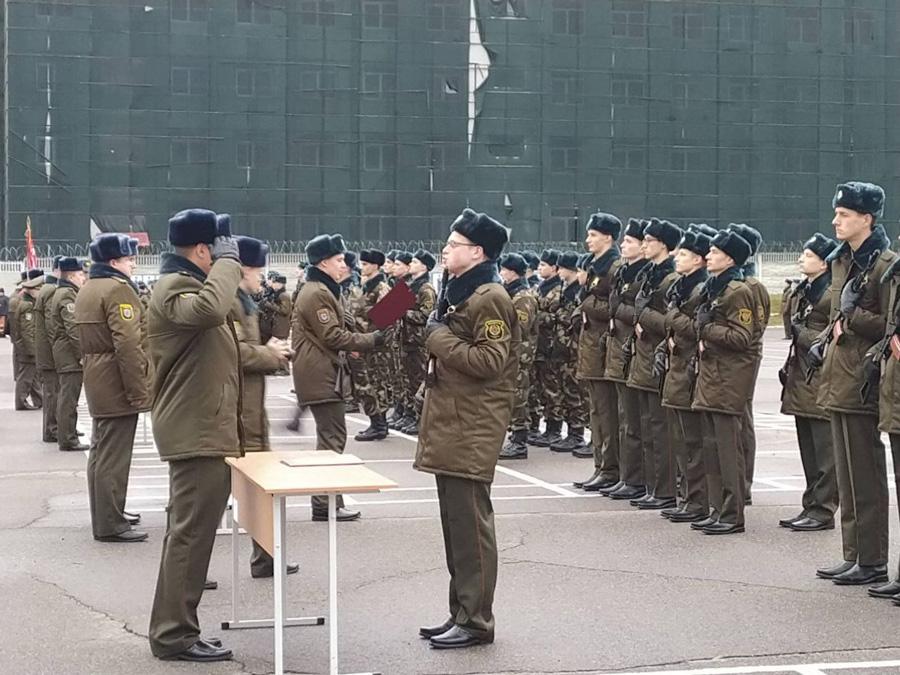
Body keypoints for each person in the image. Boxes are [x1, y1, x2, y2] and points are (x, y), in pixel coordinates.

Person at [415, 208, 516, 649]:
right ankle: (460, 610)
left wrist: (436, 336)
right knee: (455, 525)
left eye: (454, 244)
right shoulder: (458, 292)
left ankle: (476, 620)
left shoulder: (489, 297)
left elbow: (489, 362)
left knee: (471, 528)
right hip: (454, 421)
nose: (445, 249)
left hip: (471, 424)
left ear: (477, 252)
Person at [147, 208, 242, 663]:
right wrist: (229, 264)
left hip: (201, 425)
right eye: (219, 249)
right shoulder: (176, 288)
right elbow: (209, 310)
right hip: (194, 429)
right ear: (203, 250)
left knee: (190, 534)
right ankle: (173, 635)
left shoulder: (185, 285)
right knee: (189, 536)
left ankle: (176, 629)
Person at [812, 182, 895, 586]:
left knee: (865, 474)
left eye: (844, 215)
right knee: (847, 474)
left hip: (863, 378)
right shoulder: (842, 261)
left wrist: (853, 318)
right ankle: (855, 554)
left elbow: (888, 324)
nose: (836, 221)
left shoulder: (883, 265)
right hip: (838, 376)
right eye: (837, 213)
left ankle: (874, 559)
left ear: (867, 218)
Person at [291, 234, 384, 522]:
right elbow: (331, 334)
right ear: (323, 262)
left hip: (326, 369)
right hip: (321, 372)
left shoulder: (327, 289)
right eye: (339, 260)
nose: (346, 265)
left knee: (331, 438)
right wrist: (369, 340)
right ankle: (325, 504)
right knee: (332, 439)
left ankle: (329, 501)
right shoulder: (318, 291)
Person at [231, 235, 298, 577]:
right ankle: (266, 556)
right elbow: (235, 352)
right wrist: (269, 352)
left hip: (251, 404)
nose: (263, 278)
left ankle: (266, 555)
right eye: (259, 271)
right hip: (242, 407)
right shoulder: (233, 300)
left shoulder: (245, 299)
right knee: (248, 485)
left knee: (258, 485)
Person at [76, 235, 149, 541]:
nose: (133, 263)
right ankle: (110, 522)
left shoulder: (89, 288)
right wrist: (139, 391)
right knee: (113, 456)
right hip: (115, 381)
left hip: (98, 375)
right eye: (129, 259)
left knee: (101, 451)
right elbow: (128, 346)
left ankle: (109, 511)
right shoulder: (118, 290)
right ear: (114, 261)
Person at [691, 230, 755, 535]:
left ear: (729, 258)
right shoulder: (714, 288)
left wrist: (707, 330)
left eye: (714, 252)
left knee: (729, 451)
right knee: (712, 447)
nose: (708, 257)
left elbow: (742, 337)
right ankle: (717, 509)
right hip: (712, 377)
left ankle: (732, 514)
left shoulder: (736, 291)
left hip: (728, 380)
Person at [778, 233, 839, 532]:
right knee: (808, 450)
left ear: (824, 263)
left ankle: (824, 509)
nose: (802, 259)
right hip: (801, 378)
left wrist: (802, 333)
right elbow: (791, 324)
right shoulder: (807, 290)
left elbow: (832, 339)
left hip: (821, 379)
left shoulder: (831, 294)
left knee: (826, 453)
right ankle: (810, 505)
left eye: (809, 255)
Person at [627, 218, 682, 510]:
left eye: (649, 241)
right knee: (647, 428)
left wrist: (642, 316)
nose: (644, 244)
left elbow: (668, 323)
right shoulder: (650, 274)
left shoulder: (670, 278)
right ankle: (651, 485)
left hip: (658, 361)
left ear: (663, 244)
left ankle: (664, 489)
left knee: (661, 432)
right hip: (644, 359)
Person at [659, 229, 711, 522]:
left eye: (683, 255)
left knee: (693, 442)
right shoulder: (683, 286)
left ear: (698, 260)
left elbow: (694, 328)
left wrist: (672, 315)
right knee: (682, 440)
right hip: (678, 369)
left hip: (690, 369)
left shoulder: (699, 288)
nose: (677, 258)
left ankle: (697, 501)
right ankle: (686, 497)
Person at [600, 219, 650, 500]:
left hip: (635, 350)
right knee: (625, 420)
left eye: (629, 242)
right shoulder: (625, 271)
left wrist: (621, 310)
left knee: (638, 422)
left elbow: (640, 312)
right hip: (620, 350)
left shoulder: (646, 274)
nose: (624, 246)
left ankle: (638, 479)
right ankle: (627, 476)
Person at [574, 213, 623, 489]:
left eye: (593, 235)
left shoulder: (614, 267)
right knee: (596, 412)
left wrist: (587, 300)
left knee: (608, 413)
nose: (588, 240)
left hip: (605, 346)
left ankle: (611, 468)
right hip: (592, 347)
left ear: (608, 237)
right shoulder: (594, 266)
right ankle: (600, 466)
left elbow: (613, 308)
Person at [351, 249, 394, 442]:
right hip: (362, 341)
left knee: (376, 384)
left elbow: (388, 319)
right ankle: (375, 422)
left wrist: (374, 341)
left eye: (366, 264)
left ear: (376, 266)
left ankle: (379, 424)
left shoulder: (382, 288)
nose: (362, 267)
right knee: (364, 385)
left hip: (376, 345)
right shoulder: (364, 286)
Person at [498, 253, 538, 459]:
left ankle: (520, 439)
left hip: (519, 354)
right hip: (509, 353)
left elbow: (519, 327)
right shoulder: (510, 293)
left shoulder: (523, 297)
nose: (501, 273)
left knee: (518, 396)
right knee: (510, 395)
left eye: (504, 269)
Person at [49, 258, 89, 452]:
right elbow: (72, 328)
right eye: (81, 274)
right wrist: (82, 353)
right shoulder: (67, 295)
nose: (84, 278)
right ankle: (68, 438)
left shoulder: (66, 292)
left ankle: (67, 434)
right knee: (68, 398)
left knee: (67, 396)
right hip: (69, 355)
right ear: (71, 275)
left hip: (65, 352)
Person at [398, 249, 437, 435]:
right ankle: (409, 414)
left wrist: (404, 312)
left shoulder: (425, 289)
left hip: (418, 341)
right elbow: (385, 313)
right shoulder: (410, 286)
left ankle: (419, 418)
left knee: (419, 380)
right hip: (406, 339)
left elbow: (427, 315)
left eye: (414, 261)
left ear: (424, 266)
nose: (410, 264)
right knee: (408, 380)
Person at [530, 249, 563, 446]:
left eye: (544, 265)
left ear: (555, 268)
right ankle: (547, 425)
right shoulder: (541, 287)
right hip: (539, 345)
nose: (540, 268)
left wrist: (538, 317)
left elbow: (557, 316)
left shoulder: (558, 290)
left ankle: (555, 428)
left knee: (553, 388)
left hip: (551, 345)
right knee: (542, 388)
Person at [35, 256, 61, 442]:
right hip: (51, 354)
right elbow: (53, 326)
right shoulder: (52, 291)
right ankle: (53, 430)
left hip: (46, 352)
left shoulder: (46, 289)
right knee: (53, 392)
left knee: (52, 392)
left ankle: (52, 428)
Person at [12, 273, 44, 410]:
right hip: (27, 349)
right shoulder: (28, 306)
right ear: (33, 290)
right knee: (25, 377)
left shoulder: (28, 303)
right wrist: (32, 351)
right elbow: (27, 331)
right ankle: (21, 402)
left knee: (34, 377)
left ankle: (40, 400)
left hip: (26, 347)